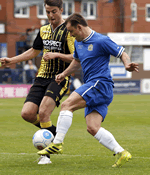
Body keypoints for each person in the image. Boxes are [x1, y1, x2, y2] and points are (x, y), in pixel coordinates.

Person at [37, 13, 139, 167]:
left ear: (79, 27)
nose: (70, 35)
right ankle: (122, 152)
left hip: (99, 84)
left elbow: (122, 53)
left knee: (66, 105)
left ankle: (57, 143)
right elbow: (77, 61)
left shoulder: (101, 40)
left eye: (71, 31)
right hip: (97, 89)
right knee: (92, 128)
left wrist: (127, 64)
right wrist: (64, 74)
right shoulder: (78, 43)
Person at [0, 0, 75, 164]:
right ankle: (55, 134)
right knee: (27, 114)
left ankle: (45, 155)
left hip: (59, 77)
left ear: (61, 10)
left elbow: (76, 57)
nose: (50, 15)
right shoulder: (43, 30)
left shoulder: (69, 31)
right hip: (41, 77)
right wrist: (11, 60)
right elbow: (34, 51)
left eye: (54, 11)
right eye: (48, 12)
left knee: (43, 112)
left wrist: (57, 55)